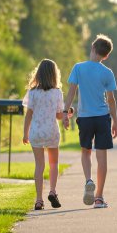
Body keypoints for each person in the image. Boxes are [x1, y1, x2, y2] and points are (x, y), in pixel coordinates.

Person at [63, 34, 117, 208]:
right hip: (102, 118)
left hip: (85, 118)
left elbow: (71, 92)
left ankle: (88, 180)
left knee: (85, 152)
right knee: (101, 157)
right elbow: (111, 100)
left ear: (93, 48)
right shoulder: (107, 72)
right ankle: (99, 198)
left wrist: (65, 112)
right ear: (106, 55)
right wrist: (115, 122)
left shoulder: (78, 68)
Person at [23, 59, 72, 210]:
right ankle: (52, 191)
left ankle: (39, 200)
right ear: (53, 74)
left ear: (38, 74)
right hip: (51, 131)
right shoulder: (56, 93)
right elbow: (58, 115)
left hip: (36, 132)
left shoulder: (33, 93)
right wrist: (67, 115)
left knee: (39, 165)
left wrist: (25, 134)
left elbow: (28, 115)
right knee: (53, 164)